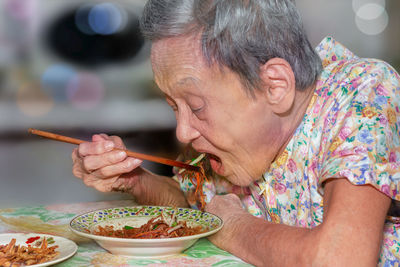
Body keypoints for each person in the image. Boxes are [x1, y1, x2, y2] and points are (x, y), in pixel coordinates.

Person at [71, 0, 400, 266]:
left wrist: (233, 228)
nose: (183, 132)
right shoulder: (228, 145)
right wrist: (136, 181)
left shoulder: (362, 95)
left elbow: (340, 260)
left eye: (197, 106)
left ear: (275, 85)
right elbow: (195, 207)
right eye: (174, 106)